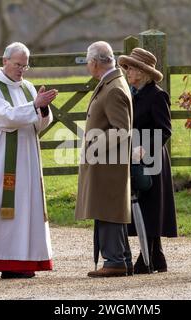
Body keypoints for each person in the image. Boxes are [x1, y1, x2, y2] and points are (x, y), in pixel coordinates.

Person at [0, 42, 58, 281]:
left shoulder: (27, 88)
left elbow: (39, 124)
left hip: (26, 160)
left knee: (24, 208)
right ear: (4, 61)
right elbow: (5, 117)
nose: (22, 70)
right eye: (18, 64)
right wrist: (35, 105)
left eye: (25, 66)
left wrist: (43, 110)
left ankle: (17, 263)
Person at [75, 41, 133, 277]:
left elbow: (122, 129)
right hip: (106, 161)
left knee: (109, 209)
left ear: (95, 62)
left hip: (108, 162)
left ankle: (115, 261)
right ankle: (120, 259)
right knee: (107, 208)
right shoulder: (112, 83)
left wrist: (92, 143)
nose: (88, 66)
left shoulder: (114, 88)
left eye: (89, 62)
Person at [118, 48, 177, 274]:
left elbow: (165, 130)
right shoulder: (133, 93)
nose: (127, 71)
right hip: (136, 154)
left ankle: (147, 257)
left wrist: (146, 148)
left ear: (142, 72)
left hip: (152, 156)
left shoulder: (156, 95)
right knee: (142, 204)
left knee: (151, 205)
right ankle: (157, 256)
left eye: (131, 68)